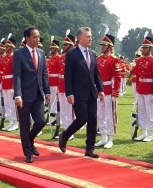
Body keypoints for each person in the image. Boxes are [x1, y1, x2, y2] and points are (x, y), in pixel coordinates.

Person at [59, 27, 104, 158]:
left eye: (91, 36)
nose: (90, 38)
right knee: (82, 118)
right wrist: (69, 93)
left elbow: (96, 74)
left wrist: (100, 89)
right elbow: (68, 76)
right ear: (79, 38)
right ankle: (65, 135)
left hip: (91, 92)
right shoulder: (72, 55)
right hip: (78, 93)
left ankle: (89, 149)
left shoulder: (92, 53)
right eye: (87, 36)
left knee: (93, 120)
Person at [13, 26, 50, 163]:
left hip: (38, 95)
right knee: (25, 124)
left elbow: (44, 74)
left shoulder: (41, 52)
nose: (37, 39)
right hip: (23, 96)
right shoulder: (19, 53)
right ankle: (28, 153)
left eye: (38, 36)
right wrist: (18, 95)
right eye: (34, 37)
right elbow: (16, 76)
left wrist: (47, 92)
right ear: (27, 38)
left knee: (41, 121)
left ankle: (29, 141)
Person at [95, 33, 121, 149]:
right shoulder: (98, 59)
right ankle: (103, 136)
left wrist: (115, 93)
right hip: (99, 90)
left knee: (109, 115)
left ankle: (110, 138)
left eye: (104, 45)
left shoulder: (113, 60)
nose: (102, 47)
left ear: (110, 46)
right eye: (102, 45)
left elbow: (118, 77)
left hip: (109, 90)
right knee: (100, 115)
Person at [134, 36, 153, 142]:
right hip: (141, 89)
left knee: (149, 111)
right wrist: (137, 89)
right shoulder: (139, 61)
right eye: (142, 48)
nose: (143, 50)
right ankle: (143, 132)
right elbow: (137, 76)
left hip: (149, 89)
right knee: (141, 111)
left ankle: (150, 133)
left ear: (150, 49)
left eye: (145, 48)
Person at [56, 32, 76, 140]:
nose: (63, 46)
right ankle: (65, 129)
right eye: (63, 44)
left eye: (65, 44)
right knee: (63, 110)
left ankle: (70, 132)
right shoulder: (61, 58)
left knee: (69, 111)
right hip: (61, 86)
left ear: (71, 45)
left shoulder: (75, 57)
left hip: (70, 88)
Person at [1, 36, 18, 131]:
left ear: (12, 47)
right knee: (7, 105)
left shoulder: (14, 57)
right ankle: (10, 121)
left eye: (7, 46)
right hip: (5, 83)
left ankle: (15, 122)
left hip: (11, 83)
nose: (5, 48)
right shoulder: (4, 58)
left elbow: (16, 73)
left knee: (12, 105)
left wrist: (13, 85)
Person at [46, 37, 61, 126]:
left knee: (56, 102)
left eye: (52, 48)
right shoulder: (51, 58)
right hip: (50, 82)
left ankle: (57, 119)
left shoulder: (59, 58)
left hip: (56, 83)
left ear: (56, 49)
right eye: (50, 48)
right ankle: (53, 117)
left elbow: (60, 72)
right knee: (51, 101)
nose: (51, 50)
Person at [0, 39, 7, 128]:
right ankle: (3, 115)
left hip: (5, 80)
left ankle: (6, 116)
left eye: (0, 49)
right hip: (0, 80)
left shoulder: (5, 58)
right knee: (1, 100)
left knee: (6, 101)